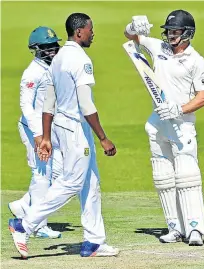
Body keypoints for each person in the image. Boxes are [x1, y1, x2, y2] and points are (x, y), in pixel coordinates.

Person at [9, 13, 119, 258]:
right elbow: (86, 104)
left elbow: (49, 101)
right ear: (79, 32)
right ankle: (24, 225)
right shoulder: (80, 60)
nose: (93, 34)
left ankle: (94, 241)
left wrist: (47, 136)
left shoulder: (57, 60)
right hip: (76, 130)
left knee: (91, 183)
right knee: (72, 182)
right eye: (91, 30)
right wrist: (103, 137)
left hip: (62, 127)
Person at [124, 10, 204, 246]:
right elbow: (130, 36)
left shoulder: (196, 60)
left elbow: (203, 97)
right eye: (169, 31)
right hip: (158, 122)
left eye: (176, 31)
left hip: (182, 125)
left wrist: (180, 109)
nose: (171, 35)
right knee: (163, 177)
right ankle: (175, 227)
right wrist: (134, 26)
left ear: (188, 33)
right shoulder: (158, 47)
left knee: (186, 176)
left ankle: (195, 230)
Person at [8, 26, 62, 239]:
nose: (52, 51)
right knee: (42, 175)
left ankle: (23, 205)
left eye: (54, 46)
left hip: (49, 130)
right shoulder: (32, 72)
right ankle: (38, 225)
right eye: (47, 48)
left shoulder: (53, 67)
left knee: (58, 172)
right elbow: (26, 106)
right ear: (37, 50)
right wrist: (39, 136)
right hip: (33, 129)